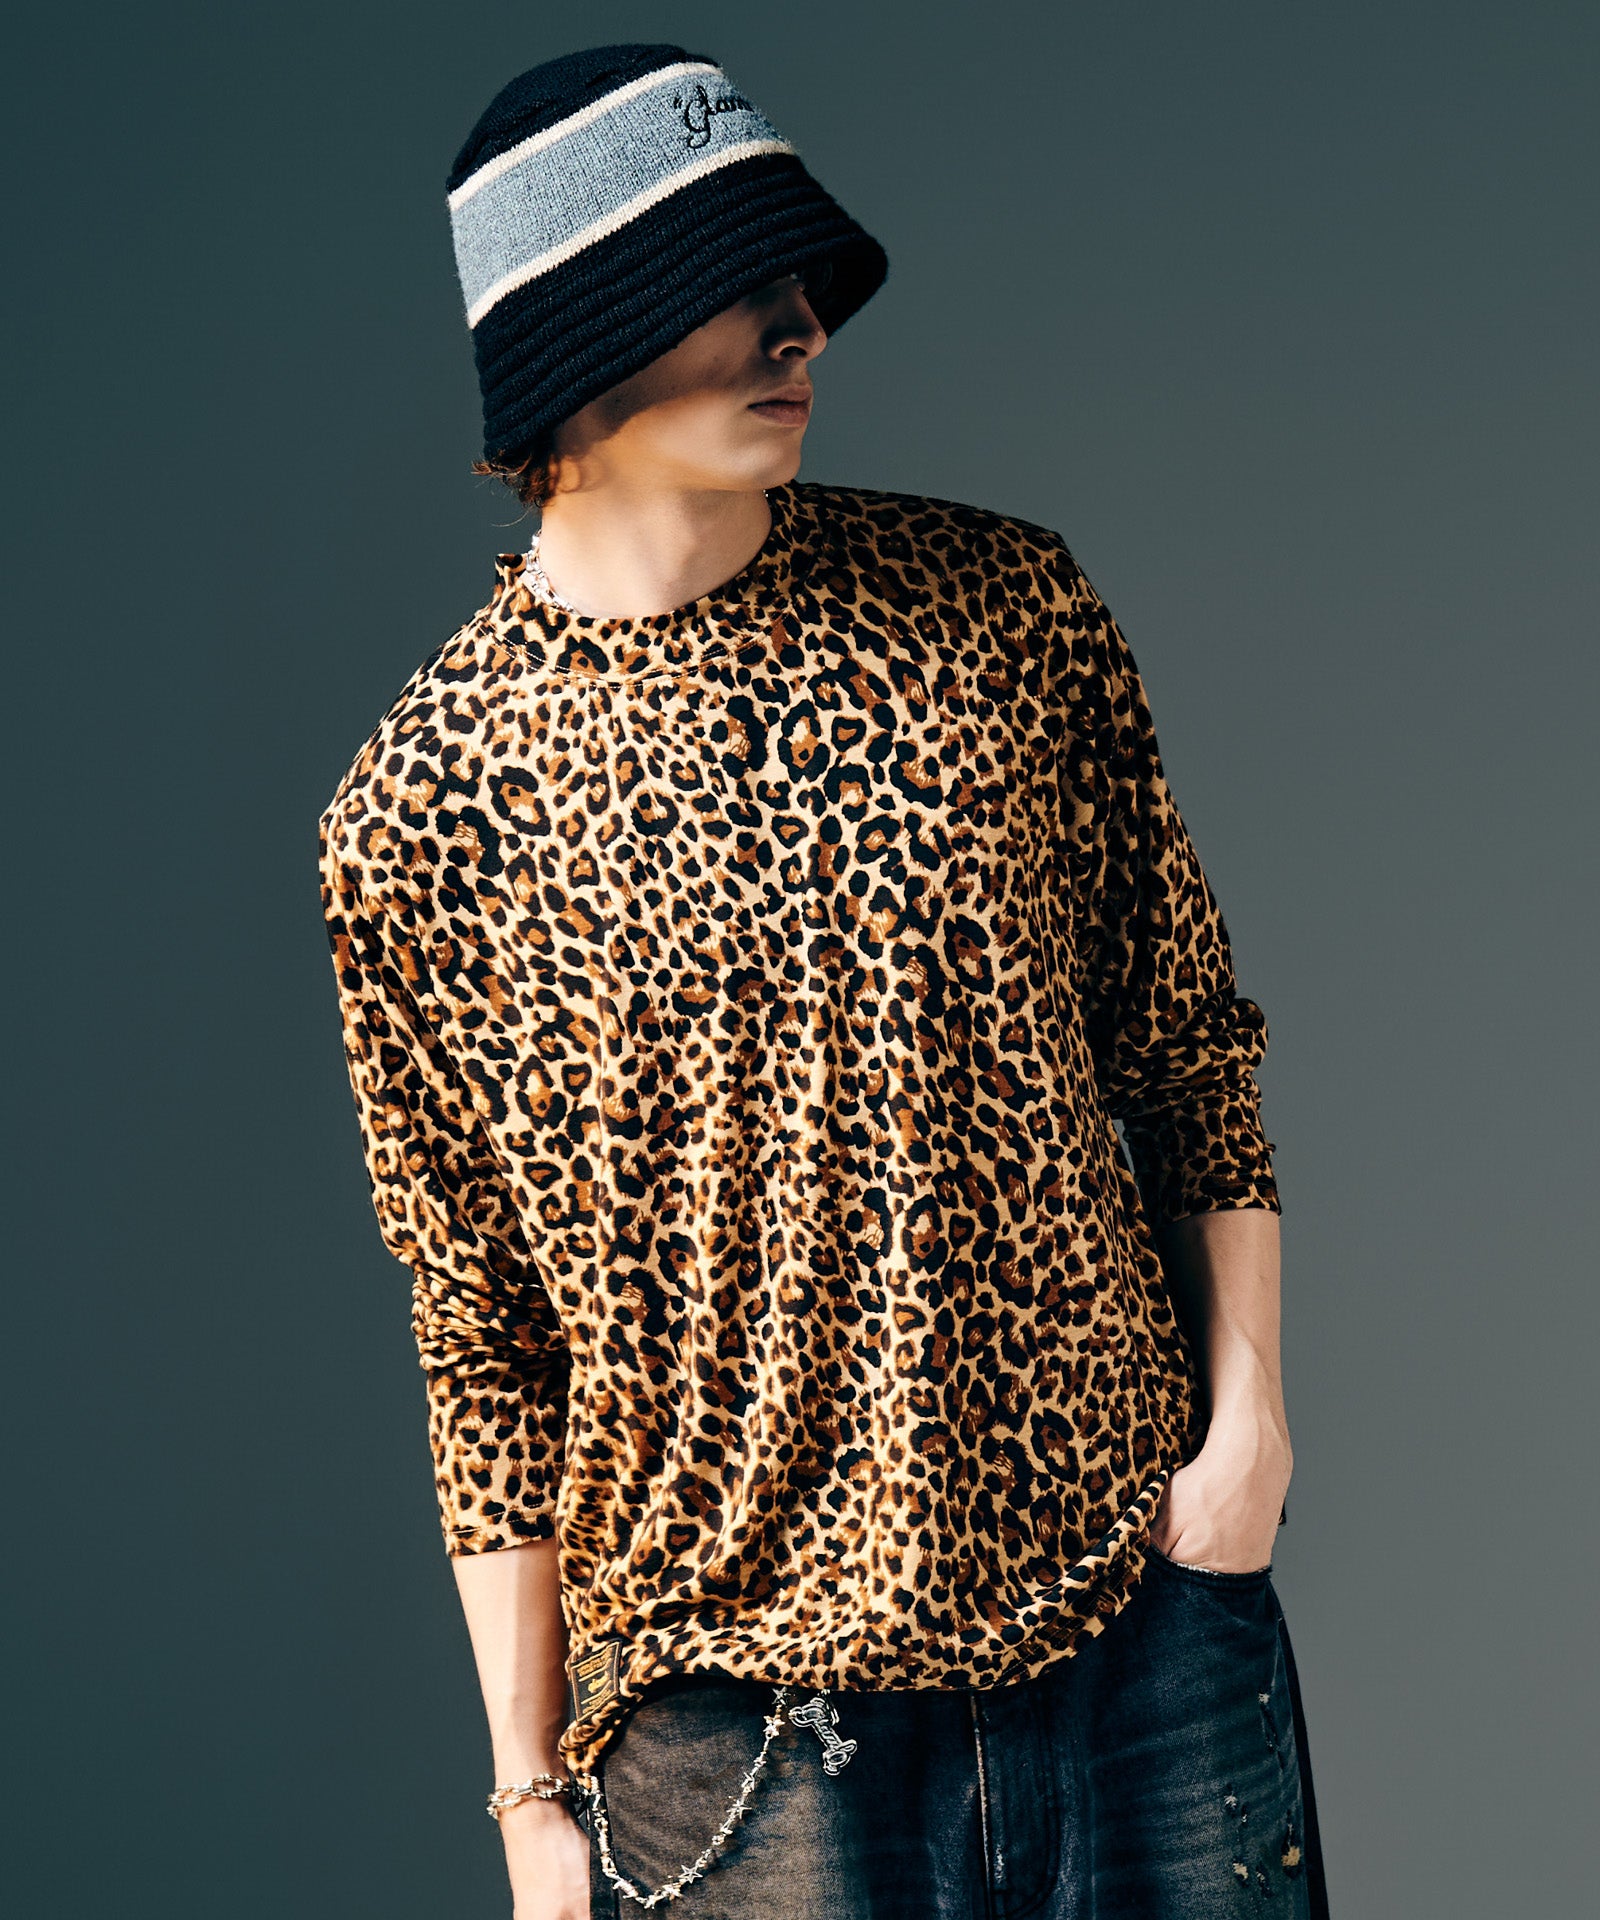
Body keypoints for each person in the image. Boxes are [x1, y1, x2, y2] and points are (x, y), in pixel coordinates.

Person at [318, 40, 1331, 1920]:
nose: (802, 329)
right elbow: (483, 1342)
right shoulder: (423, 810)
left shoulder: (1004, 611)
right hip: (737, 1734)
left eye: (800, 284)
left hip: (1139, 1628)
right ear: (573, 341)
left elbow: (1189, 1045)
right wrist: (528, 1799)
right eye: (732, 288)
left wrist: (1247, 1432)